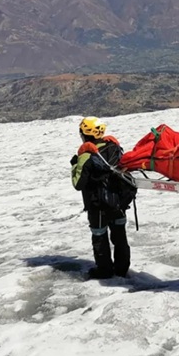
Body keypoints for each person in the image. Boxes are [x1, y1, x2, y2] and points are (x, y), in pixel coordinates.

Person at [70, 116, 131, 279]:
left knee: (99, 236)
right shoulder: (115, 147)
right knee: (120, 236)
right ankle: (122, 269)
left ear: (84, 133)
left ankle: (104, 270)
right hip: (118, 202)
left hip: (97, 205)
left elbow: (78, 184)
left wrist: (75, 164)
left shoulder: (86, 155)